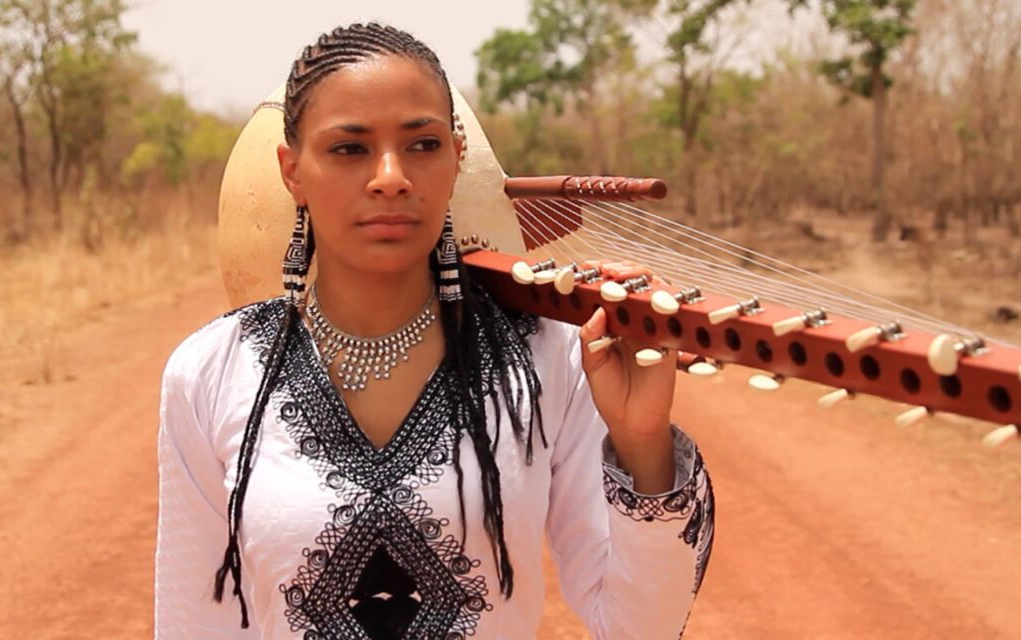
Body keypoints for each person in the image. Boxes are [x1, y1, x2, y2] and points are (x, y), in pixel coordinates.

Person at [155, 22, 714, 640]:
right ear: (293, 171)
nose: (391, 176)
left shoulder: (547, 356)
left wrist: (642, 444)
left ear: (456, 158)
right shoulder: (214, 371)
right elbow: (194, 621)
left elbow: (641, 628)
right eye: (350, 149)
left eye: (422, 145)